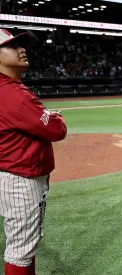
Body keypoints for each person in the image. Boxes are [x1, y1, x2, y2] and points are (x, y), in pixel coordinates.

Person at [0, 29, 67, 275]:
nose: (22, 49)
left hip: (9, 172)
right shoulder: (12, 94)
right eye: (12, 46)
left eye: (22, 45)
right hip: (21, 177)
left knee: (23, 249)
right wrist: (54, 116)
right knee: (20, 251)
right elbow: (57, 130)